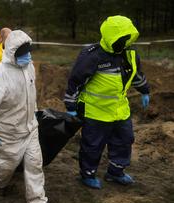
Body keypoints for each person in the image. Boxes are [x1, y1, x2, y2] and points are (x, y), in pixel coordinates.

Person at [64, 15, 150, 189]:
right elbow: (76, 80)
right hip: (96, 111)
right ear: (111, 37)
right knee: (93, 145)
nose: (125, 42)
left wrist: (144, 90)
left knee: (124, 141)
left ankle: (116, 172)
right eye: (121, 38)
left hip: (120, 110)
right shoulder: (93, 56)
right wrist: (71, 106)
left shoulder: (130, 54)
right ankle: (87, 174)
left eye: (127, 38)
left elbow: (135, 75)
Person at [0, 30, 55, 203]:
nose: (27, 56)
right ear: (11, 52)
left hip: (30, 128)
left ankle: (37, 199)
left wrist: (34, 112)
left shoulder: (29, 67)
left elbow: (30, 93)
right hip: (8, 132)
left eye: (28, 52)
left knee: (35, 164)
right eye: (22, 53)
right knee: (5, 168)